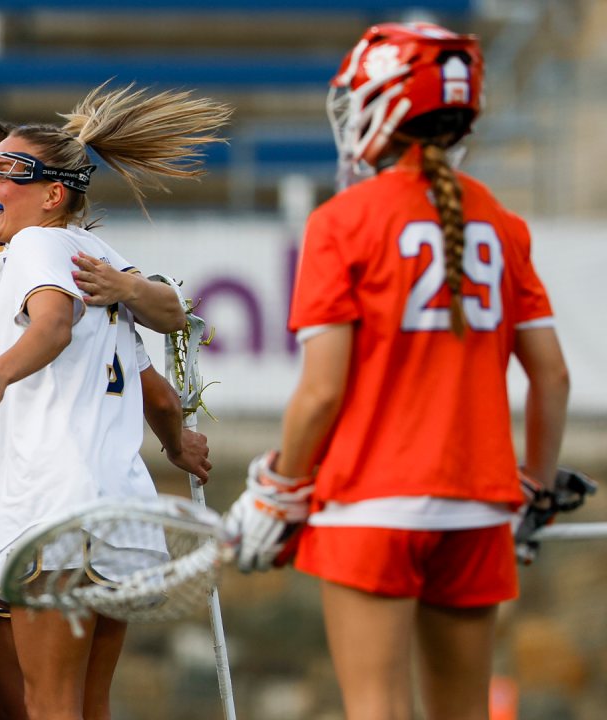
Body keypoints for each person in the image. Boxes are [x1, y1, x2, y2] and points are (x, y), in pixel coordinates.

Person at [223, 23, 570, 720]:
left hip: (369, 507)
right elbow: (552, 377)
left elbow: (323, 390)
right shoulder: (503, 224)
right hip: (478, 506)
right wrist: (534, 484)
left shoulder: (341, 221)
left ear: (384, 105)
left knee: (376, 708)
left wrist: (281, 489)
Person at [0, 83, 228, 720]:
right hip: (121, 507)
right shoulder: (97, 253)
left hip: (54, 503)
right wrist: (177, 442)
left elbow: (52, 327)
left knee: (47, 702)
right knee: (89, 701)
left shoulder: (35, 244)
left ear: (52, 195)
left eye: (8, 172)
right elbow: (160, 357)